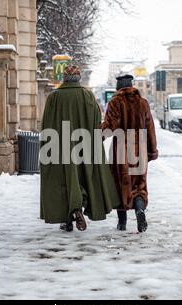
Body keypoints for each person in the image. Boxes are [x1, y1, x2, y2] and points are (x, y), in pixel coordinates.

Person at [40, 65, 121, 232]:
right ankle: (79, 206)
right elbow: (96, 121)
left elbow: (46, 124)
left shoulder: (53, 97)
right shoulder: (88, 96)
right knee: (84, 176)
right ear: (79, 79)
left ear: (64, 78)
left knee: (63, 179)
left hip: (60, 147)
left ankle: (68, 217)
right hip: (85, 146)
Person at [101, 74, 159, 233]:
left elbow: (109, 126)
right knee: (139, 185)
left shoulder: (115, 102)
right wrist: (152, 151)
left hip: (121, 148)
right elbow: (150, 129)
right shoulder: (143, 103)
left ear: (118, 87)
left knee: (121, 184)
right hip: (140, 148)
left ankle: (122, 223)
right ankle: (139, 210)